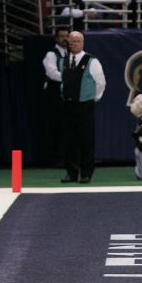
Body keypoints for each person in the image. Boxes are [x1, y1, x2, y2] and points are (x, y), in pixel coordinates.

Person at [57, 31, 106, 183]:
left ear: (83, 42)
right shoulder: (63, 61)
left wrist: (93, 98)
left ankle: (86, 173)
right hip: (68, 106)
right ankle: (71, 173)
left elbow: (101, 83)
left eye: (78, 41)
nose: (74, 43)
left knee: (86, 140)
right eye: (72, 41)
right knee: (68, 140)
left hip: (85, 105)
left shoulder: (92, 61)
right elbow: (62, 82)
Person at [40, 27, 70, 164]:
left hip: (67, 94)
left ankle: (65, 156)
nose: (65, 39)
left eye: (66, 36)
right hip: (54, 94)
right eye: (62, 36)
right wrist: (69, 78)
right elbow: (52, 73)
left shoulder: (70, 54)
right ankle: (54, 158)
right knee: (54, 125)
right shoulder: (51, 55)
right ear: (57, 39)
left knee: (66, 126)